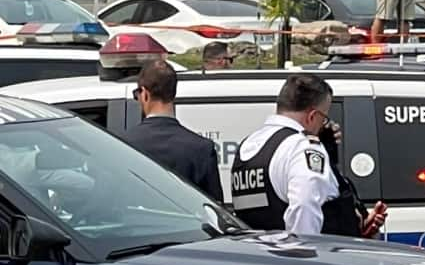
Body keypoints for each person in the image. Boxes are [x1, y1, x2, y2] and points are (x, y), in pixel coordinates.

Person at [230, 73, 385, 236]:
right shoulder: (301, 146)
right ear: (312, 116)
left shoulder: (248, 146)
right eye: (324, 118)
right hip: (310, 257)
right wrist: (304, 254)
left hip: (257, 255)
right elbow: (304, 206)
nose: (323, 125)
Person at [122, 59, 224, 202]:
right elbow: (215, 211)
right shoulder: (202, 149)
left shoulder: (123, 145)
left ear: (145, 94)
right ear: (173, 94)